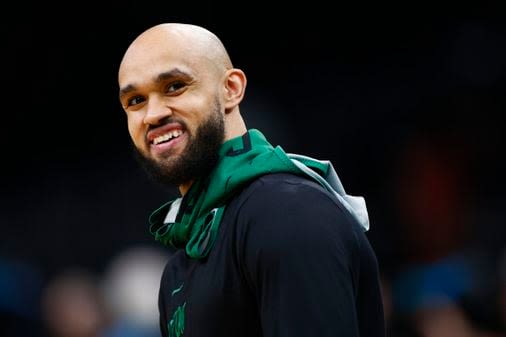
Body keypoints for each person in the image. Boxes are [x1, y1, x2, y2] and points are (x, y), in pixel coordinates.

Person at [117, 22, 385, 337]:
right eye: (135, 100)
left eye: (174, 86)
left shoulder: (287, 212)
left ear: (231, 89)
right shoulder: (181, 263)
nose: (153, 114)